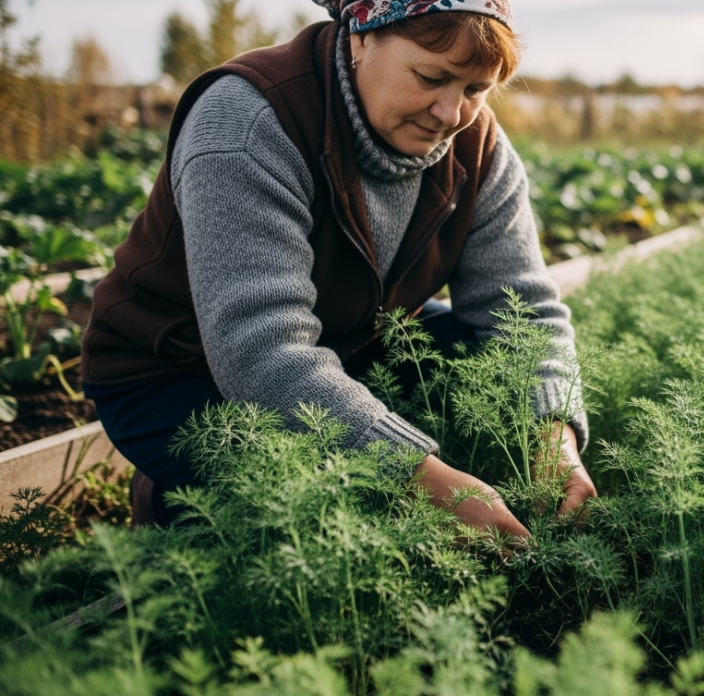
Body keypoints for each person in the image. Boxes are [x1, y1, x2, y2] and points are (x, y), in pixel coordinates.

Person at [80, 0, 595, 538]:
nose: (450, 114)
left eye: (473, 89)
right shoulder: (250, 119)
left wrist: (552, 439)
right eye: (431, 76)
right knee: (305, 513)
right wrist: (426, 481)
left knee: (475, 365)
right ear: (360, 38)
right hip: (182, 370)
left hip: (351, 340)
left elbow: (524, 310)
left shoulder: (479, 145)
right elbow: (261, 351)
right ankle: (167, 496)